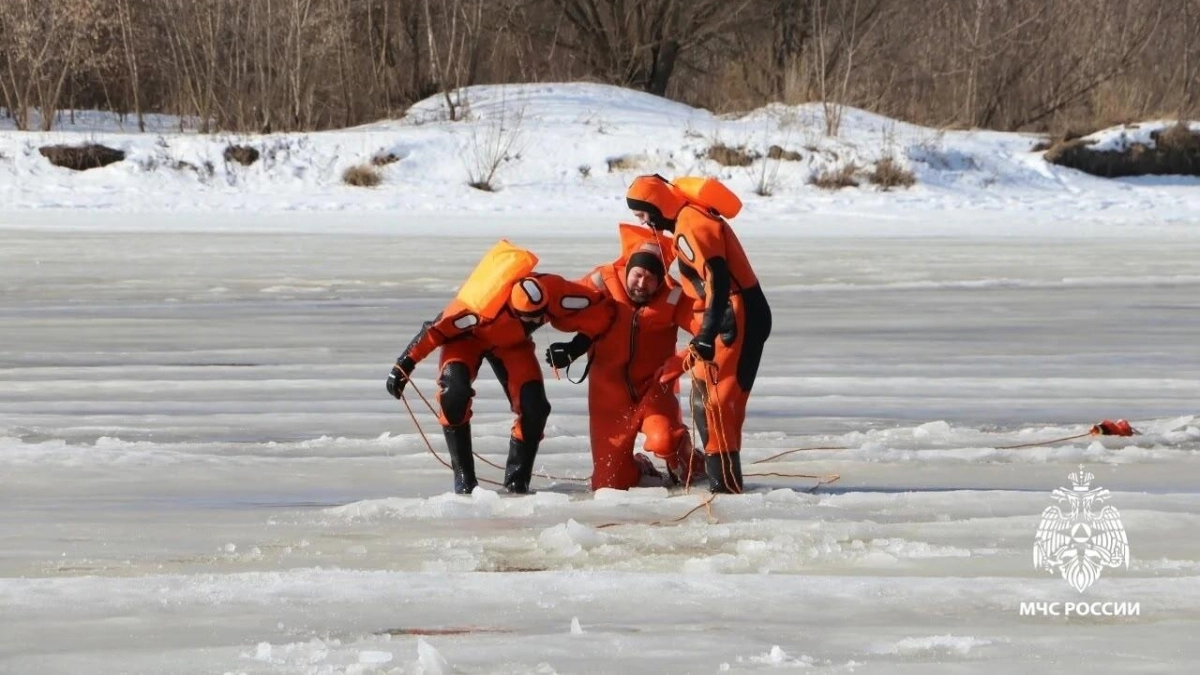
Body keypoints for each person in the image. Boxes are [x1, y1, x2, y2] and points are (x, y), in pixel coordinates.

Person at [386, 241, 613, 495]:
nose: (538, 322)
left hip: (512, 345)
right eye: (530, 319)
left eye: (540, 316)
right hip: (467, 340)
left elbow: (600, 309)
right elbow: (434, 332)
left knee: (535, 408)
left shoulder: (554, 292)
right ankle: (464, 480)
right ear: (512, 309)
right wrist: (403, 366)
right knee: (454, 395)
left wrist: (574, 348)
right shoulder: (474, 311)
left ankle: (517, 481)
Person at [623, 174, 772, 493]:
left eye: (641, 215)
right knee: (705, 399)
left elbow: (717, 278)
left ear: (653, 205)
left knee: (717, 403)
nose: (645, 223)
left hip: (735, 313)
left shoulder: (690, 223)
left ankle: (727, 486)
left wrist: (706, 334)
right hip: (728, 313)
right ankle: (721, 479)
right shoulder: (686, 220)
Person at [546, 224, 707, 491]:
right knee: (608, 485)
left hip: (655, 389)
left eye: (650, 278)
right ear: (628, 270)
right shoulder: (602, 282)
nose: (642, 284)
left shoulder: (674, 296)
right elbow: (563, 303)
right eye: (638, 275)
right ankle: (639, 467)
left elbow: (706, 332)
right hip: (608, 395)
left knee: (664, 439)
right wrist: (570, 349)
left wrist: (680, 362)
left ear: (660, 280)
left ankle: (692, 462)